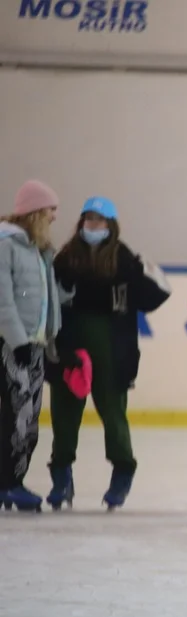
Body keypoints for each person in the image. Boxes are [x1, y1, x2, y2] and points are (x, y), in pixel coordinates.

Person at [46, 195, 172, 511]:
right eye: (89, 220)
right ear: (81, 224)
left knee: (113, 414)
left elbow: (152, 297)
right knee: (64, 414)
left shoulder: (124, 260)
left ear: (110, 226)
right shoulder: (64, 259)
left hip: (113, 349)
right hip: (69, 345)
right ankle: (61, 476)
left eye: (100, 221)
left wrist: (150, 273)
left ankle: (122, 471)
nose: (93, 225)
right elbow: (49, 301)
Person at [0, 180, 65, 512]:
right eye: (51, 210)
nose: (55, 217)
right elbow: (3, 301)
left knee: (29, 420)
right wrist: (18, 341)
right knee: (18, 416)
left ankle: (14, 481)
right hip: (14, 346)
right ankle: (7, 483)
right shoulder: (6, 247)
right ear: (36, 212)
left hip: (36, 345)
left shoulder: (39, 251)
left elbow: (44, 299)